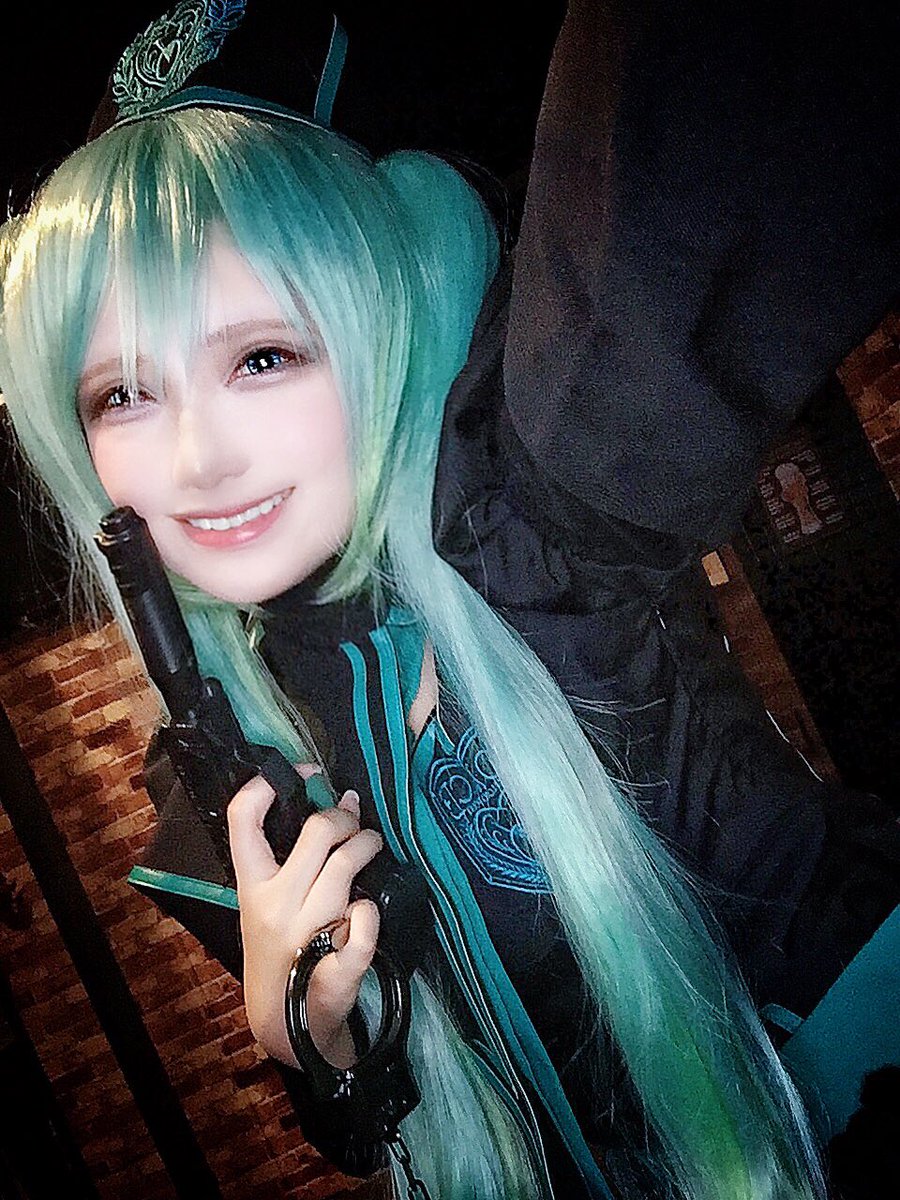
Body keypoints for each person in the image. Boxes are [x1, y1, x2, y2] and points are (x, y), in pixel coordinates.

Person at [1, 1, 898, 1197]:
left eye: (262, 357)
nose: (196, 460)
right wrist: (321, 1051)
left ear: (375, 323)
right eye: (122, 395)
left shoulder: (525, 513)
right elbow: (394, 1115)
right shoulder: (219, 767)